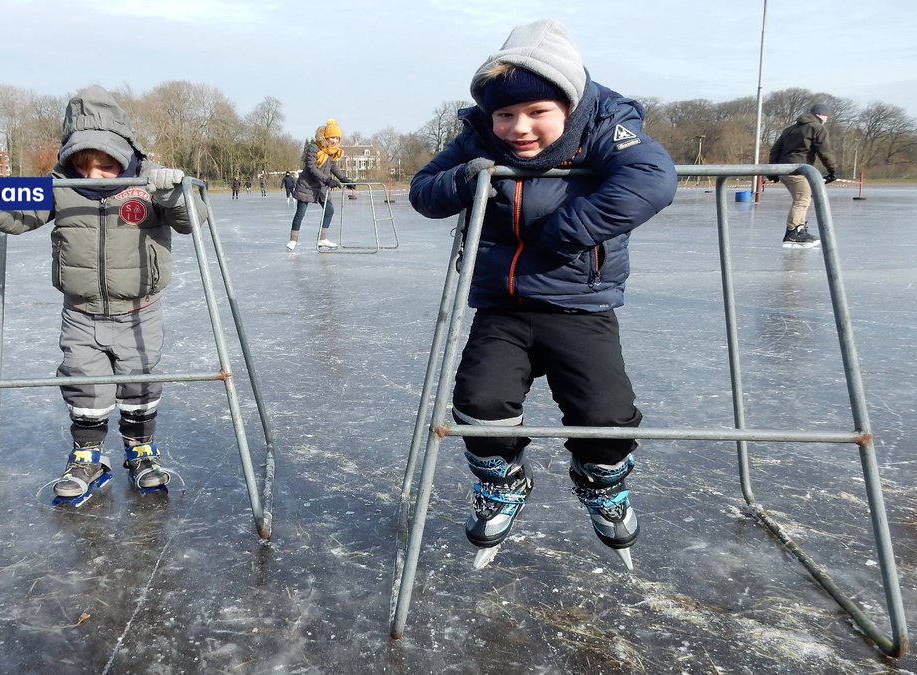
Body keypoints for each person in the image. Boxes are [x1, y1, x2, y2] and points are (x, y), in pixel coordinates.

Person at [409, 19, 677, 568]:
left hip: (580, 303)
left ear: (569, 105)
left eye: (537, 113)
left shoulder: (606, 123)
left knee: (605, 415)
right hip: (501, 304)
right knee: (478, 404)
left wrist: (564, 233)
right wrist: (467, 176)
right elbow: (423, 191)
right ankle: (503, 481)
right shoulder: (477, 136)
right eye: (505, 115)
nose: (519, 128)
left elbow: (651, 177)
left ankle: (602, 483)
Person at [0, 85, 204, 505]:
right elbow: (18, 217)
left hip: (139, 310)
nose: (92, 175)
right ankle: (88, 458)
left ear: (124, 154)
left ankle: (140, 453)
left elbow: (192, 220)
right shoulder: (58, 187)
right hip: (80, 312)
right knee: (84, 385)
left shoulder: (148, 182)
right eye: (82, 165)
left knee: (141, 383)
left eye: (104, 166)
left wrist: (172, 192)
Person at [767, 103, 838, 248]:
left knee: (803, 198)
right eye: (827, 117)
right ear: (821, 115)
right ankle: (792, 233)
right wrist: (832, 170)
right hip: (798, 170)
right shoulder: (817, 128)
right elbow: (825, 151)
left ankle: (800, 230)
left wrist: (774, 171)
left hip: (784, 169)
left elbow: (775, 150)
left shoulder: (790, 129)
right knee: (802, 199)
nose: (827, 120)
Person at [286, 119, 355, 251]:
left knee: (329, 211)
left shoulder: (332, 151)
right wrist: (328, 180)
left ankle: (322, 239)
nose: (334, 140)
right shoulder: (314, 147)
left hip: (321, 187)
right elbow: (311, 168)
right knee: (300, 213)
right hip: (307, 185)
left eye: (337, 138)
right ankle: (293, 240)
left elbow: (333, 167)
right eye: (332, 137)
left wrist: (345, 180)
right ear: (326, 137)